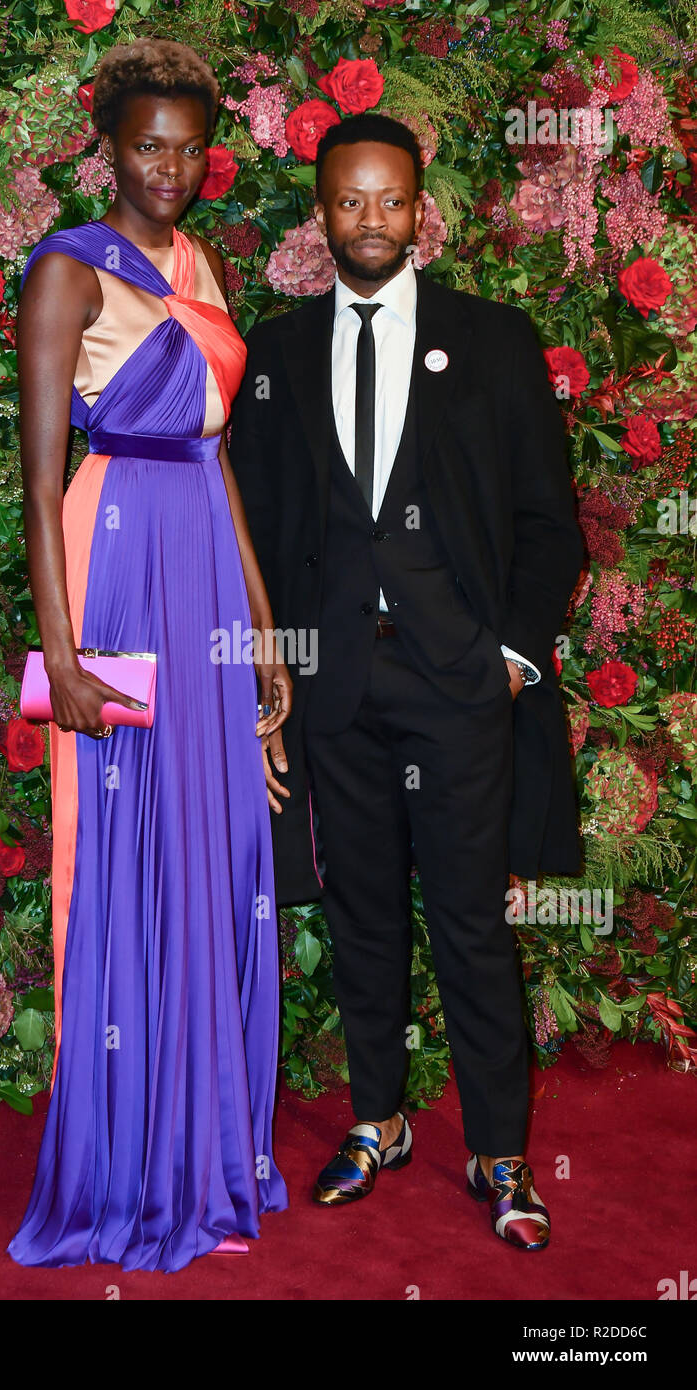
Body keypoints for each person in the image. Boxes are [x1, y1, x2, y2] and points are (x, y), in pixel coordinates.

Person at [229, 113, 584, 1251]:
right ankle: (375, 1120)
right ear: (319, 211)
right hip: (334, 690)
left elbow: (548, 522)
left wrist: (512, 659)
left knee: (471, 924)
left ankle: (499, 1149)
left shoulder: (492, 340)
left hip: (457, 685)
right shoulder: (276, 353)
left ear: (417, 208)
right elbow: (253, 533)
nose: (369, 219)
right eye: (348, 201)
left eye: (389, 199)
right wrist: (264, 677)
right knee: (363, 916)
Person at [7, 37, 290, 1273]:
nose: (167, 168)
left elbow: (217, 451)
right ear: (107, 149)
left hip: (203, 564)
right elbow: (36, 481)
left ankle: (207, 1149)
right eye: (145, 147)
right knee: (130, 847)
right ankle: (127, 1163)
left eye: (186, 148)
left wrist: (264, 620)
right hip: (113, 554)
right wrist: (62, 653)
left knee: (217, 846)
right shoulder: (68, 270)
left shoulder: (199, 260)